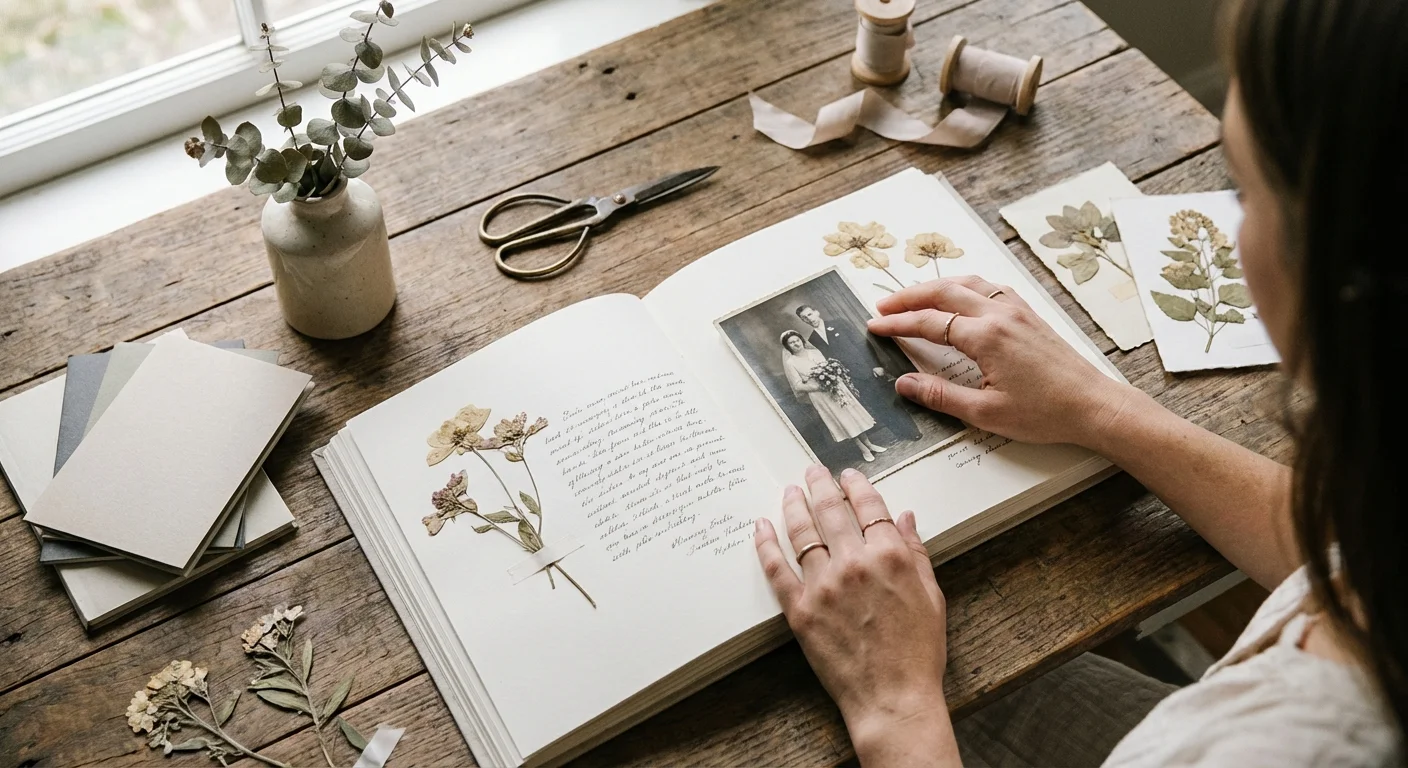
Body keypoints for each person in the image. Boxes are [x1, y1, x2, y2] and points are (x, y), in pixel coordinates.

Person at [751, 0, 1407, 764]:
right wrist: (1103, 409)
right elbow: (1343, 550)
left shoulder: (1293, 745)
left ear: (1343, 275)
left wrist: (896, 710)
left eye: (1244, 188)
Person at [797, 304, 923, 443]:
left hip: (866, 370)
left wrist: (875, 365)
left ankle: (912, 431)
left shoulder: (839, 323)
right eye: (804, 318)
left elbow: (863, 344)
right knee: (875, 406)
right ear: (803, 321)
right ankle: (899, 433)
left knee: (889, 402)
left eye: (809, 314)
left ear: (816, 311)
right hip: (847, 378)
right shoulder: (813, 339)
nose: (809, 319)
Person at [780, 330, 887, 463]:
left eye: (797, 340)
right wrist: (818, 387)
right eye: (791, 343)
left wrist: (833, 379)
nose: (796, 344)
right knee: (842, 421)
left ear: (801, 340)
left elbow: (829, 369)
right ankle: (863, 449)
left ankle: (870, 445)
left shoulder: (815, 352)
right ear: (788, 346)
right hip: (820, 396)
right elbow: (797, 385)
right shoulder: (791, 362)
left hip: (835, 388)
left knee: (852, 416)